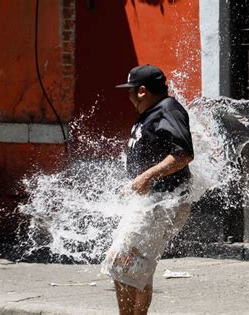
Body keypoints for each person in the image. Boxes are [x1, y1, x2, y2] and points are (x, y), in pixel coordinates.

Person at [101, 64, 194, 314]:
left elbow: (183, 154)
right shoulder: (153, 112)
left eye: (130, 91)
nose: (128, 96)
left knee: (121, 263)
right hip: (153, 202)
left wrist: (146, 176)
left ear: (142, 91)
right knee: (139, 269)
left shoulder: (168, 109)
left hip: (162, 202)